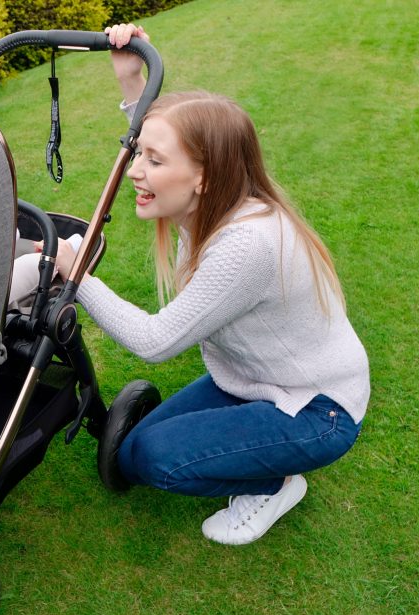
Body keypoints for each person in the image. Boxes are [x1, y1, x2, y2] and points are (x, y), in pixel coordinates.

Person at [53, 24, 370, 545]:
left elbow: (157, 343)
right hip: (249, 381)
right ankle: (253, 449)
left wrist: (78, 276)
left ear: (202, 176)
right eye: (140, 156)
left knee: (156, 461)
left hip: (316, 408)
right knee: (131, 454)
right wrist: (132, 77)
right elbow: (160, 142)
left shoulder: (245, 244)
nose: (137, 170)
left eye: (153, 162)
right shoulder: (209, 202)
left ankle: (275, 484)